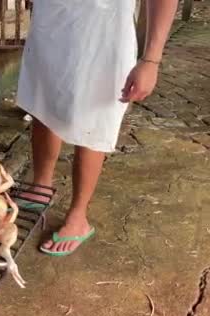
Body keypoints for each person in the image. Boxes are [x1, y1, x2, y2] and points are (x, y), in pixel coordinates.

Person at [16, 0, 178, 256]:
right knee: (43, 98)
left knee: (94, 118)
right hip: (51, 21)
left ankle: (78, 216)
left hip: (104, 30)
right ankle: (41, 185)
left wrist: (151, 60)